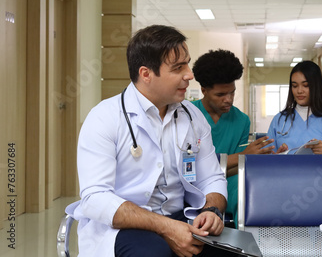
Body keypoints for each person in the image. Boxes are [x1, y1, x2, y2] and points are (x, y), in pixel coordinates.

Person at [66, 25, 239, 257]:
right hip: (124, 227)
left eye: (187, 64)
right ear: (146, 74)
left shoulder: (192, 116)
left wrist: (211, 210)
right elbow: (95, 197)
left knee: (230, 251)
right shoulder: (104, 117)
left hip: (181, 216)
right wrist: (167, 227)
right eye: (178, 68)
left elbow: (211, 177)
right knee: (154, 253)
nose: (189, 74)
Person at [192, 49, 275, 224]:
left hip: (229, 182)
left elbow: (235, 169)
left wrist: (250, 158)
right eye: (220, 95)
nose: (228, 99)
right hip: (193, 185)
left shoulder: (242, 120)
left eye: (232, 92)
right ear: (204, 90)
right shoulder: (188, 114)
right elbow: (192, 169)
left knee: (247, 185)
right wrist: (243, 156)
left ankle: (245, 246)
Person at [266, 60, 322, 155]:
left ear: (317, 86)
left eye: (306, 85)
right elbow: (266, 160)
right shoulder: (279, 120)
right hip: (286, 170)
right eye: (294, 86)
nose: (299, 91)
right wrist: (276, 158)